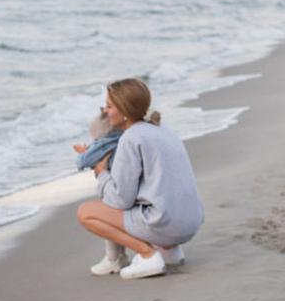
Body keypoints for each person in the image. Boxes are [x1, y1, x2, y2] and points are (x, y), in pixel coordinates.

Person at [76, 77, 204, 280]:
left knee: (86, 212)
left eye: (109, 106)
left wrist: (101, 171)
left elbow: (119, 200)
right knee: (133, 193)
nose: (104, 112)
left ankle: (147, 255)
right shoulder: (162, 128)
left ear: (124, 109)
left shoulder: (131, 138)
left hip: (166, 223)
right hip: (190, 221)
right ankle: (168, 250)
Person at [73, 108, 126, 276]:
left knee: (107, 220)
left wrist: (84, 152)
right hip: (120, 187)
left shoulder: (105, 142)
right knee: (116, 220)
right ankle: (121, 256)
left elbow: (83, 162)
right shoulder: (122, 137)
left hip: (111, 188)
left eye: (94, 139)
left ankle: (112, 259)